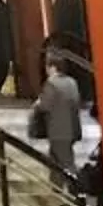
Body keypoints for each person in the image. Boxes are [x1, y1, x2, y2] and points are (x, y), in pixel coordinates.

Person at [29, 52, 84, 180]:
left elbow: (44, 106)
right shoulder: (72, 82)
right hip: (72, 128)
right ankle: (56, 189)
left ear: (52, 67)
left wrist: (37, 104)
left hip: (57, 130)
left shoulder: (52, 84)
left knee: (66, 163)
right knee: (56, 161)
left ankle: (75, 189)